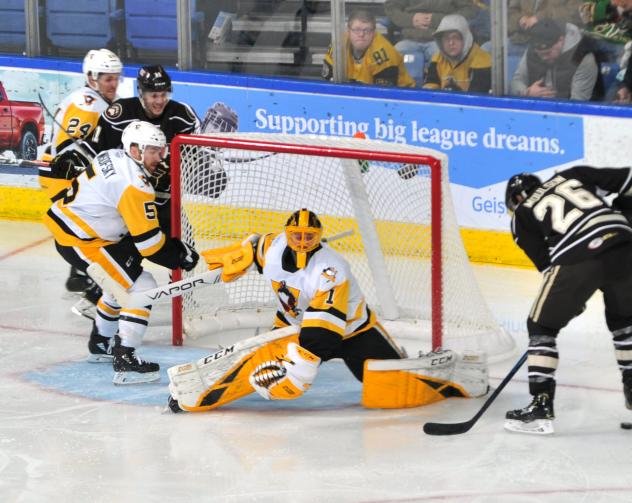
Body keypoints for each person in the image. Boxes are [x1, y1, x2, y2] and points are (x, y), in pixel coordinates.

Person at [167, 209, 489, 412]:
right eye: (297, 236)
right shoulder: (273, 246)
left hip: (353, 333)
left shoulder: (331, 269)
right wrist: (235, 258)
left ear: (318, 238)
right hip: (293, 325)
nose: (302, 241)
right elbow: (254, 247)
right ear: (287, 234)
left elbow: (323, 330)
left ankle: (456, 374)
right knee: (255, 358)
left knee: (387, 390)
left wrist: (302, 369)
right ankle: (197, 394)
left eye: (309, 237)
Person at [43, 121, 199, 384]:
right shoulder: (135, 185)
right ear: (135, 150)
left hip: (79, 232)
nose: (160, 157)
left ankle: (100, 344)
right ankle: (125, 358)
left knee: (118, 284)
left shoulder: (112, 155)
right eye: (154, 151)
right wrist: (180, 254)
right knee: (141, 286)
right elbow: (149, 245)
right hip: (81, 241)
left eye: (162, 151)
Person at [503, 166, 632, 434]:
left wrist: (572, 300)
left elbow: (550, 267)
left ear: (516, 199)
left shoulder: (522, 214)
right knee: (625, 324)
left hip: (578, 255)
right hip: (625, 243)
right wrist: (623, 212)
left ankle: (540, 405)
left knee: (540, 327)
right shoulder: (573, 174)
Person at [38, 48, 123, 313]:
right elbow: (70, 149)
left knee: (90, 230)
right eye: (107, 78)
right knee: (101, 229)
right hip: (64, 177)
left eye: (115, 77)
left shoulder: (96, 99)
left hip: (65, 176)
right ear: (91, 77)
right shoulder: (87, 103)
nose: (113, 83)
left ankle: (80, 276)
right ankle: (94, 289)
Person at [87, 65, 201, 237]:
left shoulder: (182, 116)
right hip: (126, 201)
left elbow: (194, 159)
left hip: (163, 200)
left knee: (185, 248)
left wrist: (175, 172)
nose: (160, 101)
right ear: (141, 92)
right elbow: (99, 157)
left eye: (164, 95)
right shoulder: (120, 114)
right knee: (120, 252)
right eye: (154, 95)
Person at [384, 0, 479, 83]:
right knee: (390, 59)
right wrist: (411, 19)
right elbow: (390, 7)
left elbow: (469, 10)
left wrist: (437, 20)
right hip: (409, 38)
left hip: (441, 40)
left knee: (448, 59)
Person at [510, 18, 601, 100]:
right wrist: (527, 93)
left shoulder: (583, 58)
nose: (543, 58)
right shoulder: (532, 51)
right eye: (539, 55)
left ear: (561, 41)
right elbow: (517, 81)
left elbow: (578, 102)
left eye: (548, 53)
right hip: (537, 109)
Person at [322, 10, 416, 87]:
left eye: (367, 30)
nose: (361, 34)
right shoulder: (338, 45)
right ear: (348, 30)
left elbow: (383, 95)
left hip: (401, 98)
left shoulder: (384, 54)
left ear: (374, 32)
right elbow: (328, 81)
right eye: (357, 29)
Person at [422, 14, 492, 93]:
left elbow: (477, 98)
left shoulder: (483, 60)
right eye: (446, 38)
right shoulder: (437, 59)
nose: (451, 43)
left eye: (455, 37)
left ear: (466, 39)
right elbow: (430, 88)